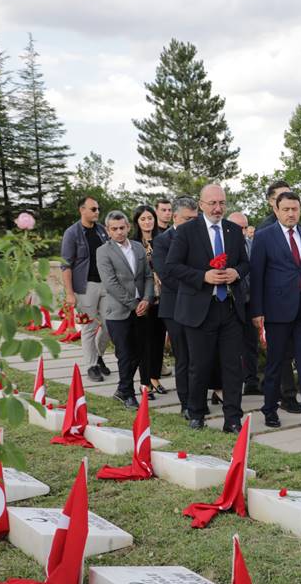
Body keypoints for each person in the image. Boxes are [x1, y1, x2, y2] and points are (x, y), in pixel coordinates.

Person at [165, 184, 249, 433]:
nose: (217, 208)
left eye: (222, 203)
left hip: (230, 308)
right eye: (212, 203)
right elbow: (172, 266)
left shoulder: (233, 230)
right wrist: (203, 276)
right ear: (201, 205)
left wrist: (236, 272)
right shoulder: (188, 231)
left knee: (233, 366)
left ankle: (233, 418)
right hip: (199, 309)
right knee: (199, 365)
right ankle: (197, 412)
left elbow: (246, 263)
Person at [250, 191, 301, 430]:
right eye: (286, 209)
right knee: (276, 362)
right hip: (276, 311)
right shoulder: (264, 237)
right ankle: (270, 410)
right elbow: (257, 276)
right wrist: (257, 311)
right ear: (276, 210)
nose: (291, 213)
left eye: (295, 209)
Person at [96, 210, 154, 409]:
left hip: (142, 307)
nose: (119, 232)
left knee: (139, 351)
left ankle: (122, 388)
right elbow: (111, 283)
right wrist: (133, 304)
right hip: (118, 311)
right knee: (125, 353)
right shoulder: (103, 251)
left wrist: (147, 298)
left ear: (128, 227)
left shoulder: (138, 247)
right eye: (115, 229)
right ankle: (127, 393)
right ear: (108, 230)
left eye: (122, 228)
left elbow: (147, 275)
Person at [257, 180, 301, 414]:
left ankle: (277, 389)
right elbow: (259, 273)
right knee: (280, 355)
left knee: (293, 354)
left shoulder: (300, 230)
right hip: (276, 305)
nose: (289, 206)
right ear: (272, 204)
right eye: (282, 199)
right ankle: (285, 397)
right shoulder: (265, 231)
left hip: (299, 304)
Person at [152, 196, 199, 421]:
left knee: (198, 356)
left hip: (199, 305)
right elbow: (167, 275)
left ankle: (198, 398)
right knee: (184, 356)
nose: (192, 222)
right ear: (175, 217)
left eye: (195, 218)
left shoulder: (201, 238)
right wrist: (197, 283)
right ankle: (186, 403)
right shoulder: (162, 241)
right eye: (188, 218)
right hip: (175, 307)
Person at [60, 196, 112, 384]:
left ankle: (98, 356)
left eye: (98, 209)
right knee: (88, 327)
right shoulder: (72, 233)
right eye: (93, 209)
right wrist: (69, 293)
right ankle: (91, 366)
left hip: (106, 285)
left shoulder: (102, 231)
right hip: (84, 287)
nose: (97, 212)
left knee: (110, 325)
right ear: (82, 210)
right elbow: (66, 265)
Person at [130, 205, 168, 399]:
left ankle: (155, 377)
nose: (147, 222)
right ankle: (145, 382)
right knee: (145, 340)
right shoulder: (133, 243)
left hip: (163, 296)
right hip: (144, 296)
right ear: (137, 221)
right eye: (143, 219)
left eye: (150, 218)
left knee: (159, 339)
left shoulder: (162, 240)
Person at [228, 211, 261, 397]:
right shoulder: (223, 247)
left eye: (244, 227)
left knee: (251, 343)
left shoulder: (252, 245)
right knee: (232, 346)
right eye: (237, 227)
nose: (241, 231)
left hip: (250, 302)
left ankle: (251, 381)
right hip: (231, 303)